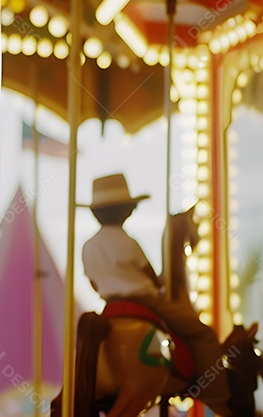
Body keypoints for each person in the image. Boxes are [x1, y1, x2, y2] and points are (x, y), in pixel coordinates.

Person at [81, 173, 231, 414]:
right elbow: (152, 278)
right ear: (126, 210)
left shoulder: (88, 246)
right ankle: (217, 395)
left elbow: (93, 283)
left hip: (110, 304)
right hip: (144, 299)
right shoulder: (127, 242)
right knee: (201, 333)